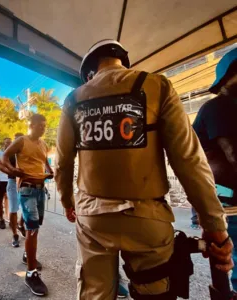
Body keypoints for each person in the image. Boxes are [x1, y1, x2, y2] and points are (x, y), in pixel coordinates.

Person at [54, 39, 234, 300]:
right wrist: (214, 223)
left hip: (93, 219)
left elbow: (62, 162)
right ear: (123, 61)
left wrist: (67, 200)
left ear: (89, 72)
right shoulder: (156, 85)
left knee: (94, 292)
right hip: (148, 220)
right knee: (154, 292)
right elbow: (188, 160)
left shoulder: (73, 99)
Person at [192, 47, 237, 293]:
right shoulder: (220, 107)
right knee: (226, 260)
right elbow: (234, 155)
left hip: (222, 202)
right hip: (225, 203)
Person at [1, 114, 53, 297]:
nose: (43, 128)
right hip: (26, 189)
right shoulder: (22, 141)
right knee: (32, 228)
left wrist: (50, 171)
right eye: (40, 125)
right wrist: (13, 171)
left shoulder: (43, 144)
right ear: (30, 124)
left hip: (40, 190)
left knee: (35, 227)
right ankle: (31, 274)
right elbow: (4, 159)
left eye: (45, 125)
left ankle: (27, 255)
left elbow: (44, 161)